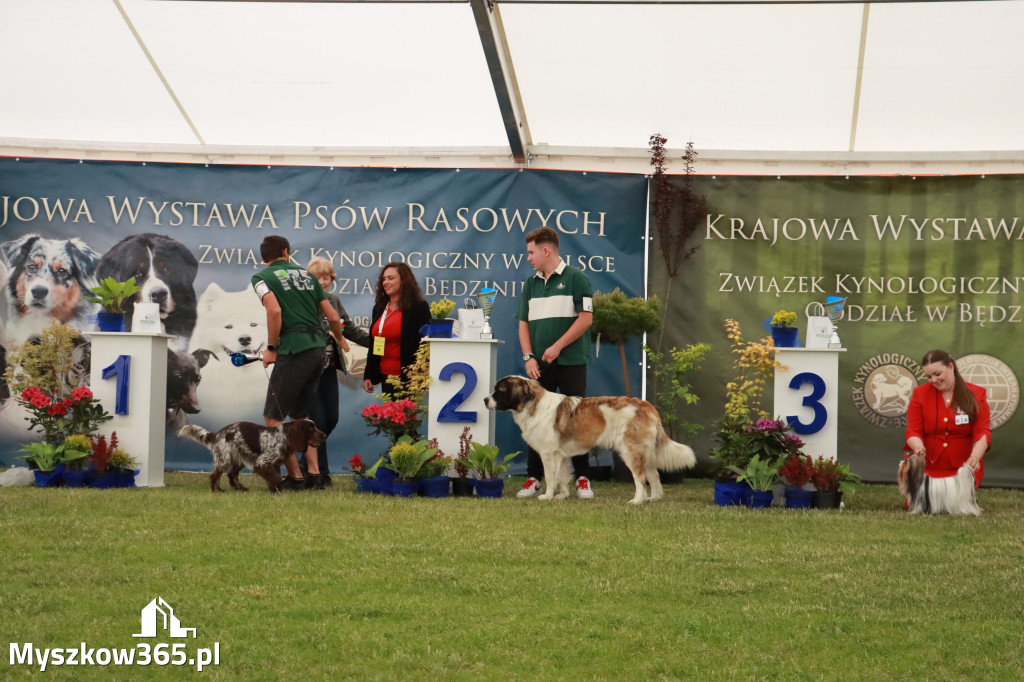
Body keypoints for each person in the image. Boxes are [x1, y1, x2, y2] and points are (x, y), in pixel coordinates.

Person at [251, 236, 345, 491]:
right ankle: (314, 473)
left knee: (273, 418)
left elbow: (274, 311)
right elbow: (333, 316)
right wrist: (338, 338)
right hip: (318, 353)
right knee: (300, 416)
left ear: (263, 258)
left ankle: (296, 477)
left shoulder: (261, 278)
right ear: (286, 252)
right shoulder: (309, 277)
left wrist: (271, 348)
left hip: (294, 351)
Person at [514, 226, 595, 499]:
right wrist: (529, 357)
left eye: (531, 252)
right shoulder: (530, 283)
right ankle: (534, 479)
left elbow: (585, 318)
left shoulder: (577, 278)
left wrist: (558, 347)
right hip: (540, 367)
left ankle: (583, 479)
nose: (528, 258)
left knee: (577, 421)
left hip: (572, 361)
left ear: (545, 250)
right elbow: (523, 324)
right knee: (535, 422)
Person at [300, 257, 372, 487]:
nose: (322, 282)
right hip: (307, 373)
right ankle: (320, 473)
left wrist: (377, 342)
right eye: (317, 277)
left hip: (329, 372)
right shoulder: (301, 302)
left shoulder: (334, 300)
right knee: (317, 421)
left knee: (331, 419)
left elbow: (349, 329)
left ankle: (306, 463)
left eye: (326, 277)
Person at [903, 349, 990, 510]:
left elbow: (982, 432)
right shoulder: (919, 394)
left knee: (956, 506)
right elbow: (913, 431)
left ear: (951, 367)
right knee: (921, 505)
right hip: (930, 468)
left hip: (963, 468)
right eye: (929, 377)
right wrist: (918, 447)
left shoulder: (976, 394)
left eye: (937, 374)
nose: (933, 380)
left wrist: (975, 458)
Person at [362, 261, 431, 394]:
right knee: (388, 415)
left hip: (409, 379)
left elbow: (425, 345)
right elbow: (375, 343)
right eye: (383, 279)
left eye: (390, 278)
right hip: (385, 377)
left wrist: (419, 376)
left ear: (404, 280)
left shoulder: (418, 307)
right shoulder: (379, 308)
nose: (385, 282)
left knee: (405, 415)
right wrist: (368, 375)